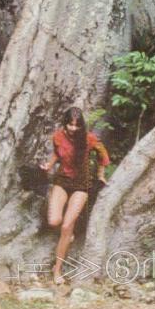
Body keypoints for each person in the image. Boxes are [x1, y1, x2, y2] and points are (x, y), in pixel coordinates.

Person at [41, 106, 110, 284]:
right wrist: (49, 165)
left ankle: (57, 270)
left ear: (81, 126)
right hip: (62, 181)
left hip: (81, 185)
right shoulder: (57, 136)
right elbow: (58, 153)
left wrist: (101, 174)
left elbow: (103, 155)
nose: (72, 128)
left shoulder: (89, 139)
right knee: (54, 221)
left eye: (76, 125)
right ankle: (68, 235)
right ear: (64, 123)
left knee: (66, 226)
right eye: (69, 124)